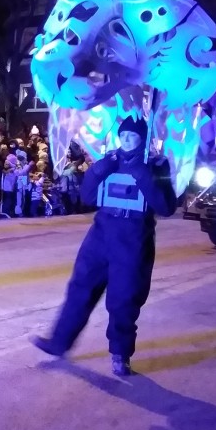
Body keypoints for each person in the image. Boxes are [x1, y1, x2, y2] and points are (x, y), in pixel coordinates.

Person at [30, 115, 177, 376]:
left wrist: (145, 176)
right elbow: (87, 197)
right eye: (123, 136)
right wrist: (98, 169)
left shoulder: (155, 164)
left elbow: (166, 207)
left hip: (134, 236)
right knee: (80, 287)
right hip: (101, 231)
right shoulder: (110, 160)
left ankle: (121, 353)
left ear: (143, 139)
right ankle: (59, 342)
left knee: (124, 297)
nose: (126, 141)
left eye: (132, 136)